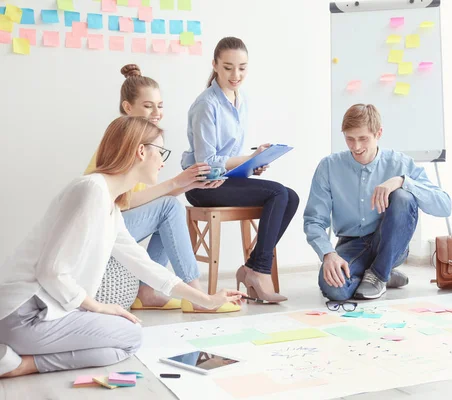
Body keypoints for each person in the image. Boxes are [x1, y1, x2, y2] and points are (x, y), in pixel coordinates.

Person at [0, 116, 245, 379]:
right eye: (160, 152)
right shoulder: (90, 190)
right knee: (130, 335)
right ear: (141, 151)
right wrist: (98, 307)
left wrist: (206, 300)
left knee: (120, 345)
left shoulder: (110, 206)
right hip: (24, 314)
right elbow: (52, 272)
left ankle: (15, 362)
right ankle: (19, 363)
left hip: (42, 313)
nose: (163, 162)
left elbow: (145, 265)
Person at [85, 64, 231, 313]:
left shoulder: (143, 139)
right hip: (99, 225)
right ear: (127, 107)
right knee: (169, 207)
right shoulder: (124, 140)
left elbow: (147, 202)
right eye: (148, 105)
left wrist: (188, 183)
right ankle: (195, 295)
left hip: (114, 220)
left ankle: (146, 291)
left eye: (160, 106)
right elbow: (122, 200)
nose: (156, 112)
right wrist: (175, 183)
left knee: (170, 207)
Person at [181, 37, 299, 303]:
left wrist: (252, 163)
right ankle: (258, 271)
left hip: (226, 180)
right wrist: (249, 156)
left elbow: (230, 156)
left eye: (242, 68)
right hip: (203, 186)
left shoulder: (240, 99)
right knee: (278, 193)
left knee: (290, 196)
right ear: (215, 65)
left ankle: (253, 268)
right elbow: (207, 161)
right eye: (228, 67)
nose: (236, 75)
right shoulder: (206, 104)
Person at [304, 104, 452, 301]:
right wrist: (328, 254)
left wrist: (401, 181)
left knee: (403, 196)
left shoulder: (400, 163)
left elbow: (444, 206)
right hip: (351, 244)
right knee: (334, 289)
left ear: (378, 133)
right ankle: (380, 274)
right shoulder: (329, 167)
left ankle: (379, 274)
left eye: (363, 138)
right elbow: (314, 220)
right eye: (350, 139)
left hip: (391, 243)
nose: (356, 147)